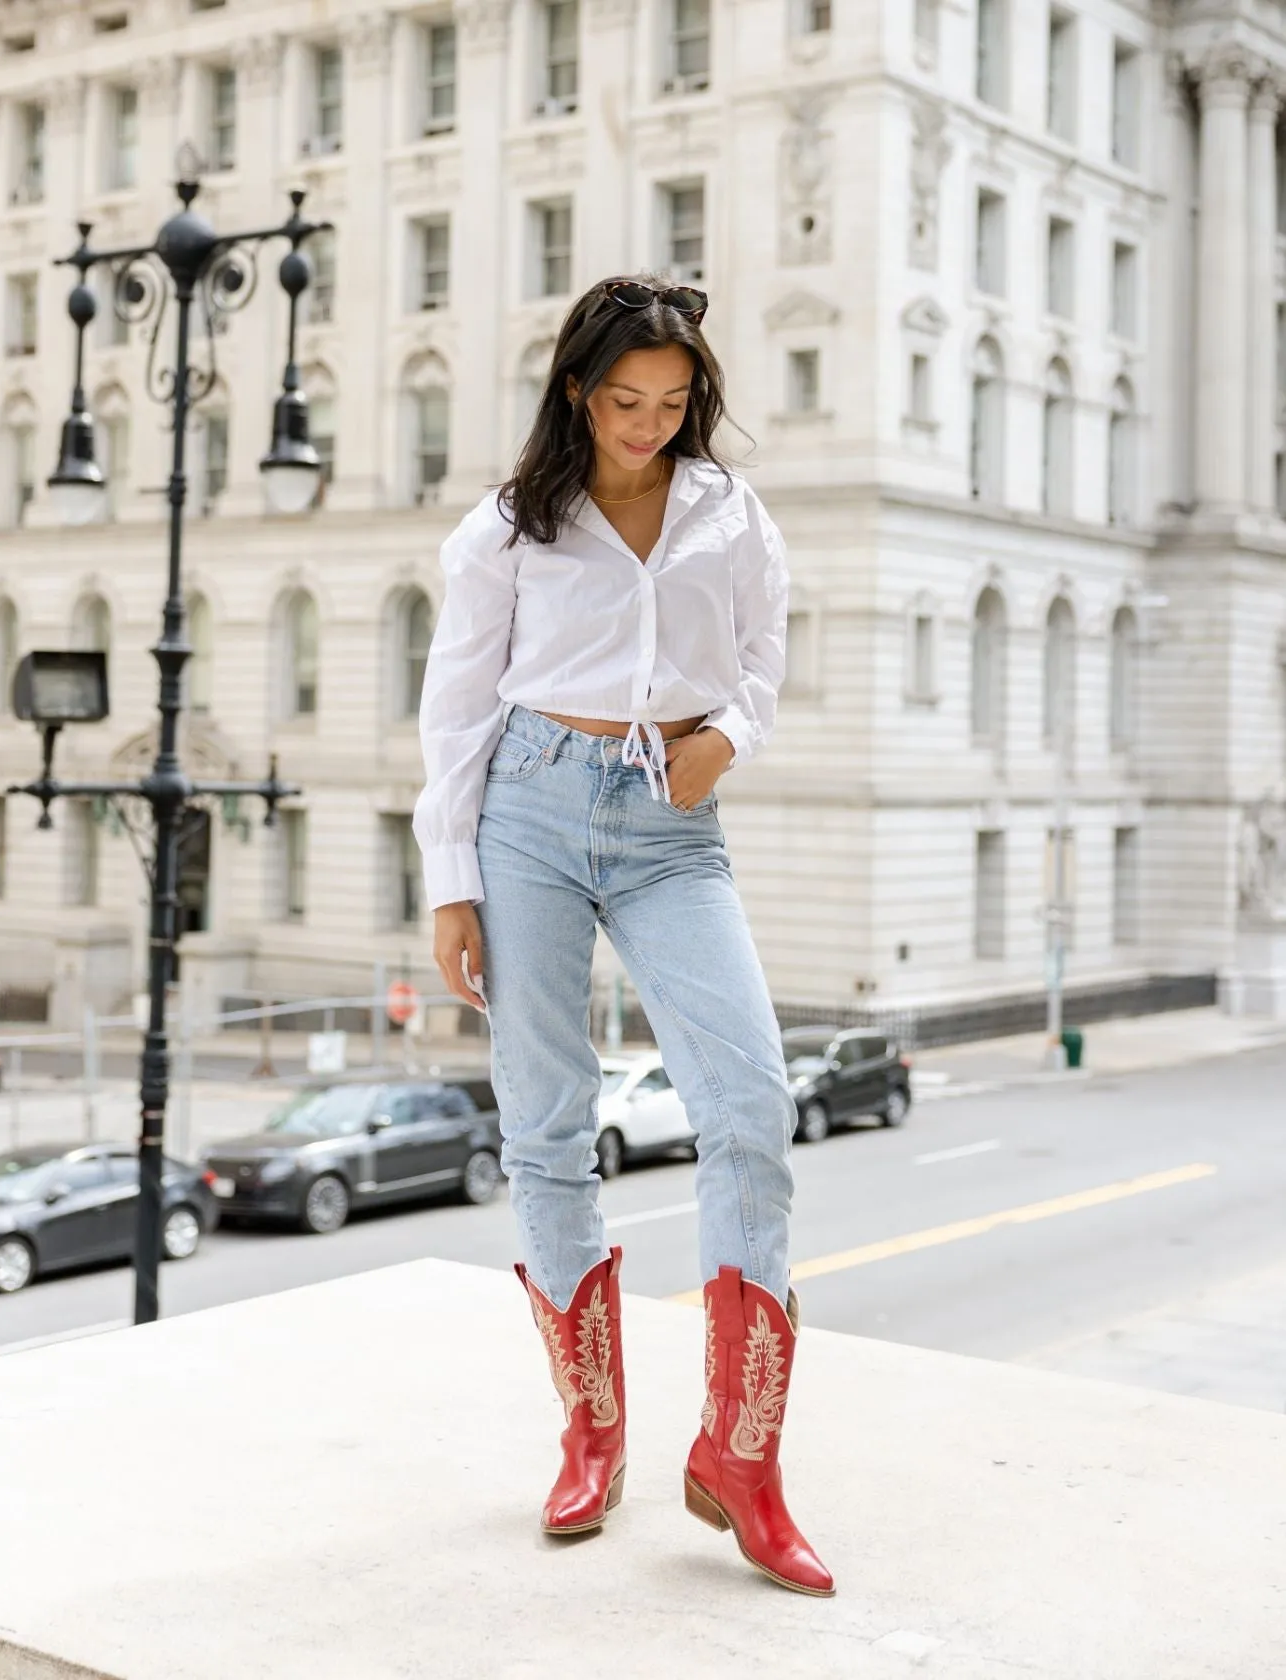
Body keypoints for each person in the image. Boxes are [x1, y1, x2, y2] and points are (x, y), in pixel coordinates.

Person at [414, 276, 833, 1598]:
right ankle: (592, 1430)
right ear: (578, 395)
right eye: (622, 401)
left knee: (751, 1105)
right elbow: (457, 709)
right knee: (547, 1120)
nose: (648, 426)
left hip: (672, 826)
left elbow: (763, 656)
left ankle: (743, 1457)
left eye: (672, 401)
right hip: (529, 810)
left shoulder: (732, 514)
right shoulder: (508, 529)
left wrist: (731, 739)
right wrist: (450, 878)